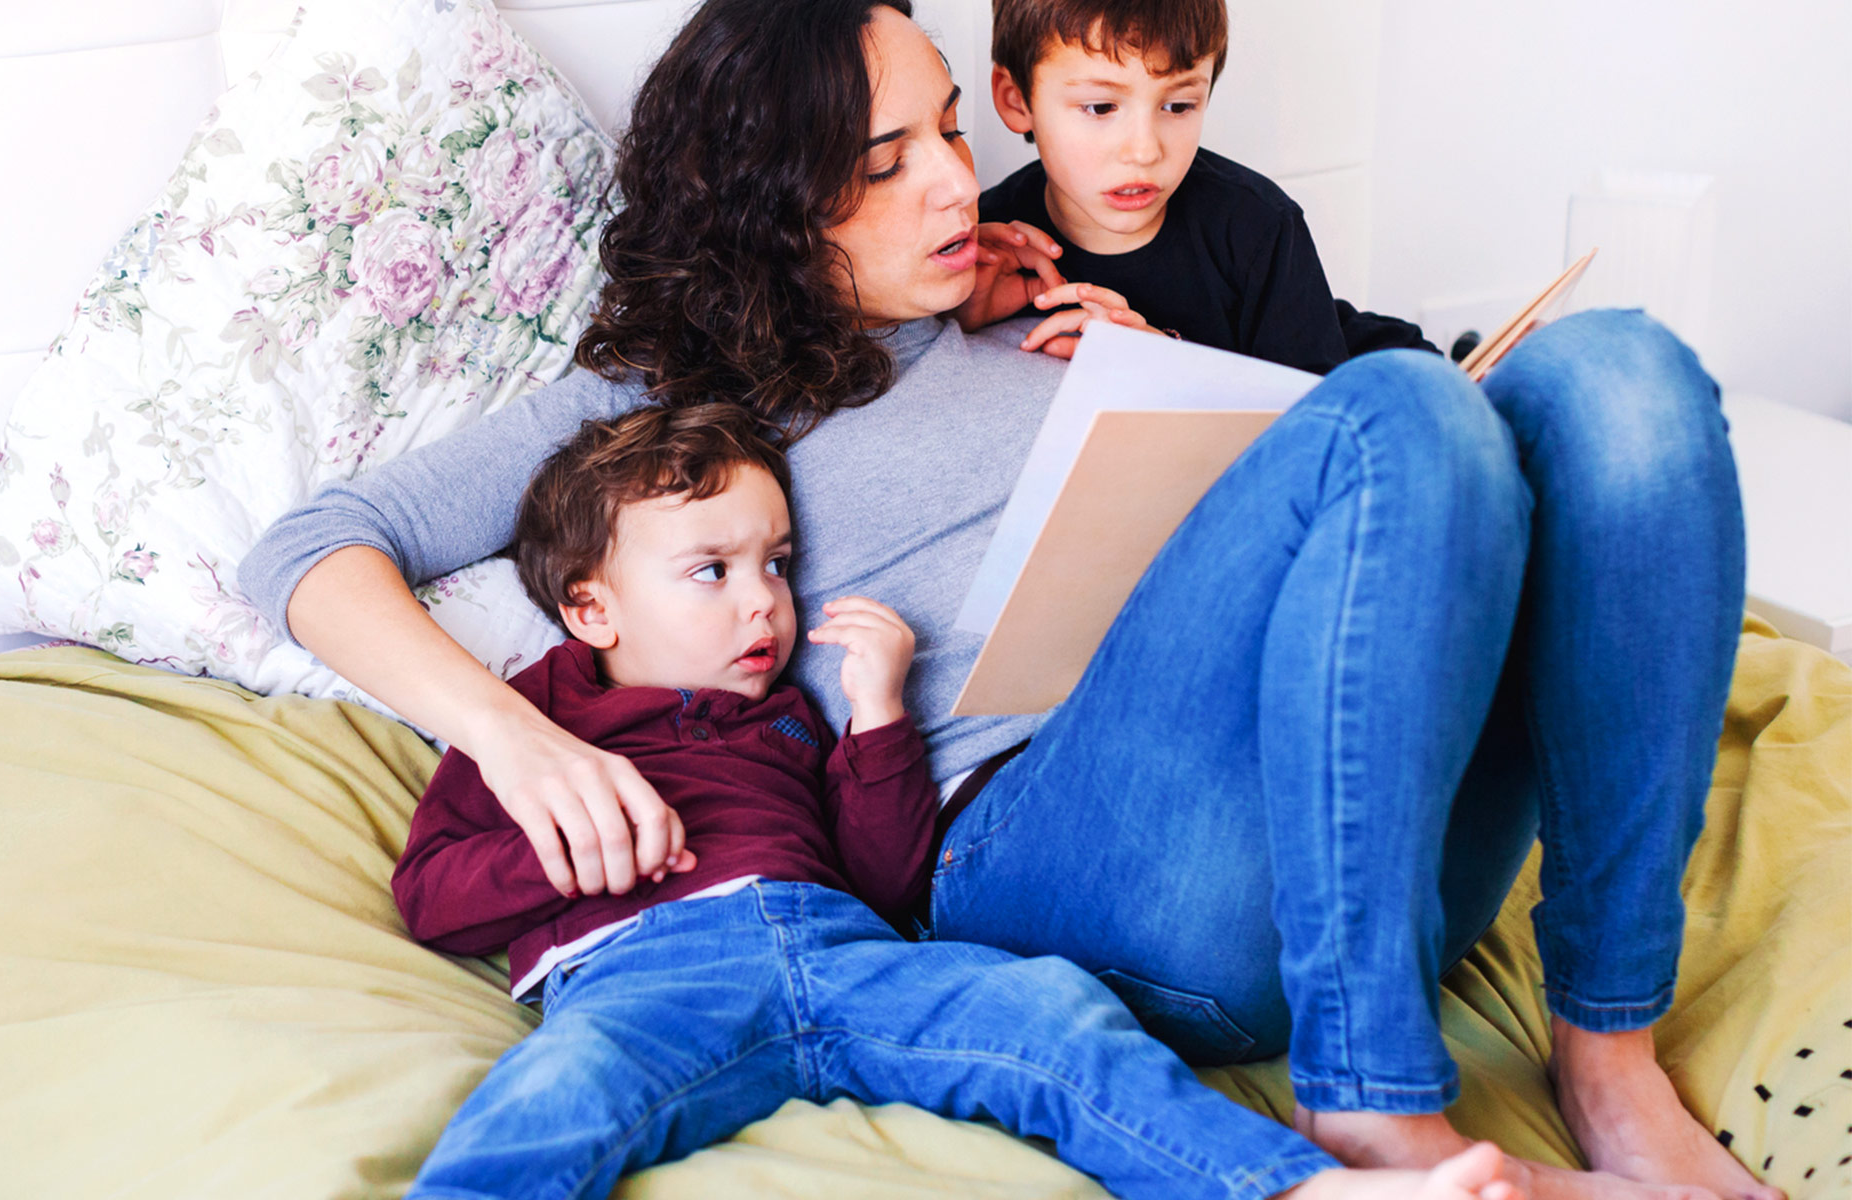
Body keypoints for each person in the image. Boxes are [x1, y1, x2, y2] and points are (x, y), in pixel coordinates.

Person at [238, 2, 1775, 1198]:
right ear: (776, 202)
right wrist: (518, 741)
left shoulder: (1047, 310)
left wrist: (1154, 369)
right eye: (885, 160)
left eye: (953, 134)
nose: (957, 184)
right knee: (1400, 408)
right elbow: (315, 542)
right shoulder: (665, 395)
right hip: (1070, 855)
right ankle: (1370, 1092)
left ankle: (1607, 1044)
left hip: (1362, 835)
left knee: (1617, 374)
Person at [395, 403, 1516, 1199]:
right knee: (555, 1095)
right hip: (650, 972)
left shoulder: (791, 713)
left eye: (778, 563)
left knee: (1056, 1016)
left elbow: (886, 879)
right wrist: (571, 850)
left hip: (845, 948)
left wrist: (877, 719)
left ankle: (1281, 1186)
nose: (764, 605)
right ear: (591, 611)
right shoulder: (532, 723)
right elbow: (433, 897)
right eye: (713, 571)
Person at [968, 0, 1434, 372]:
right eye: (1100, 107)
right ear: (1016, 100)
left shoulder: (1258, 224)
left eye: (1178, 106)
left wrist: (1171, 362)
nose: (1145, 151)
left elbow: (1305, 424)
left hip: (1376, 368)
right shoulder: (992, 236)